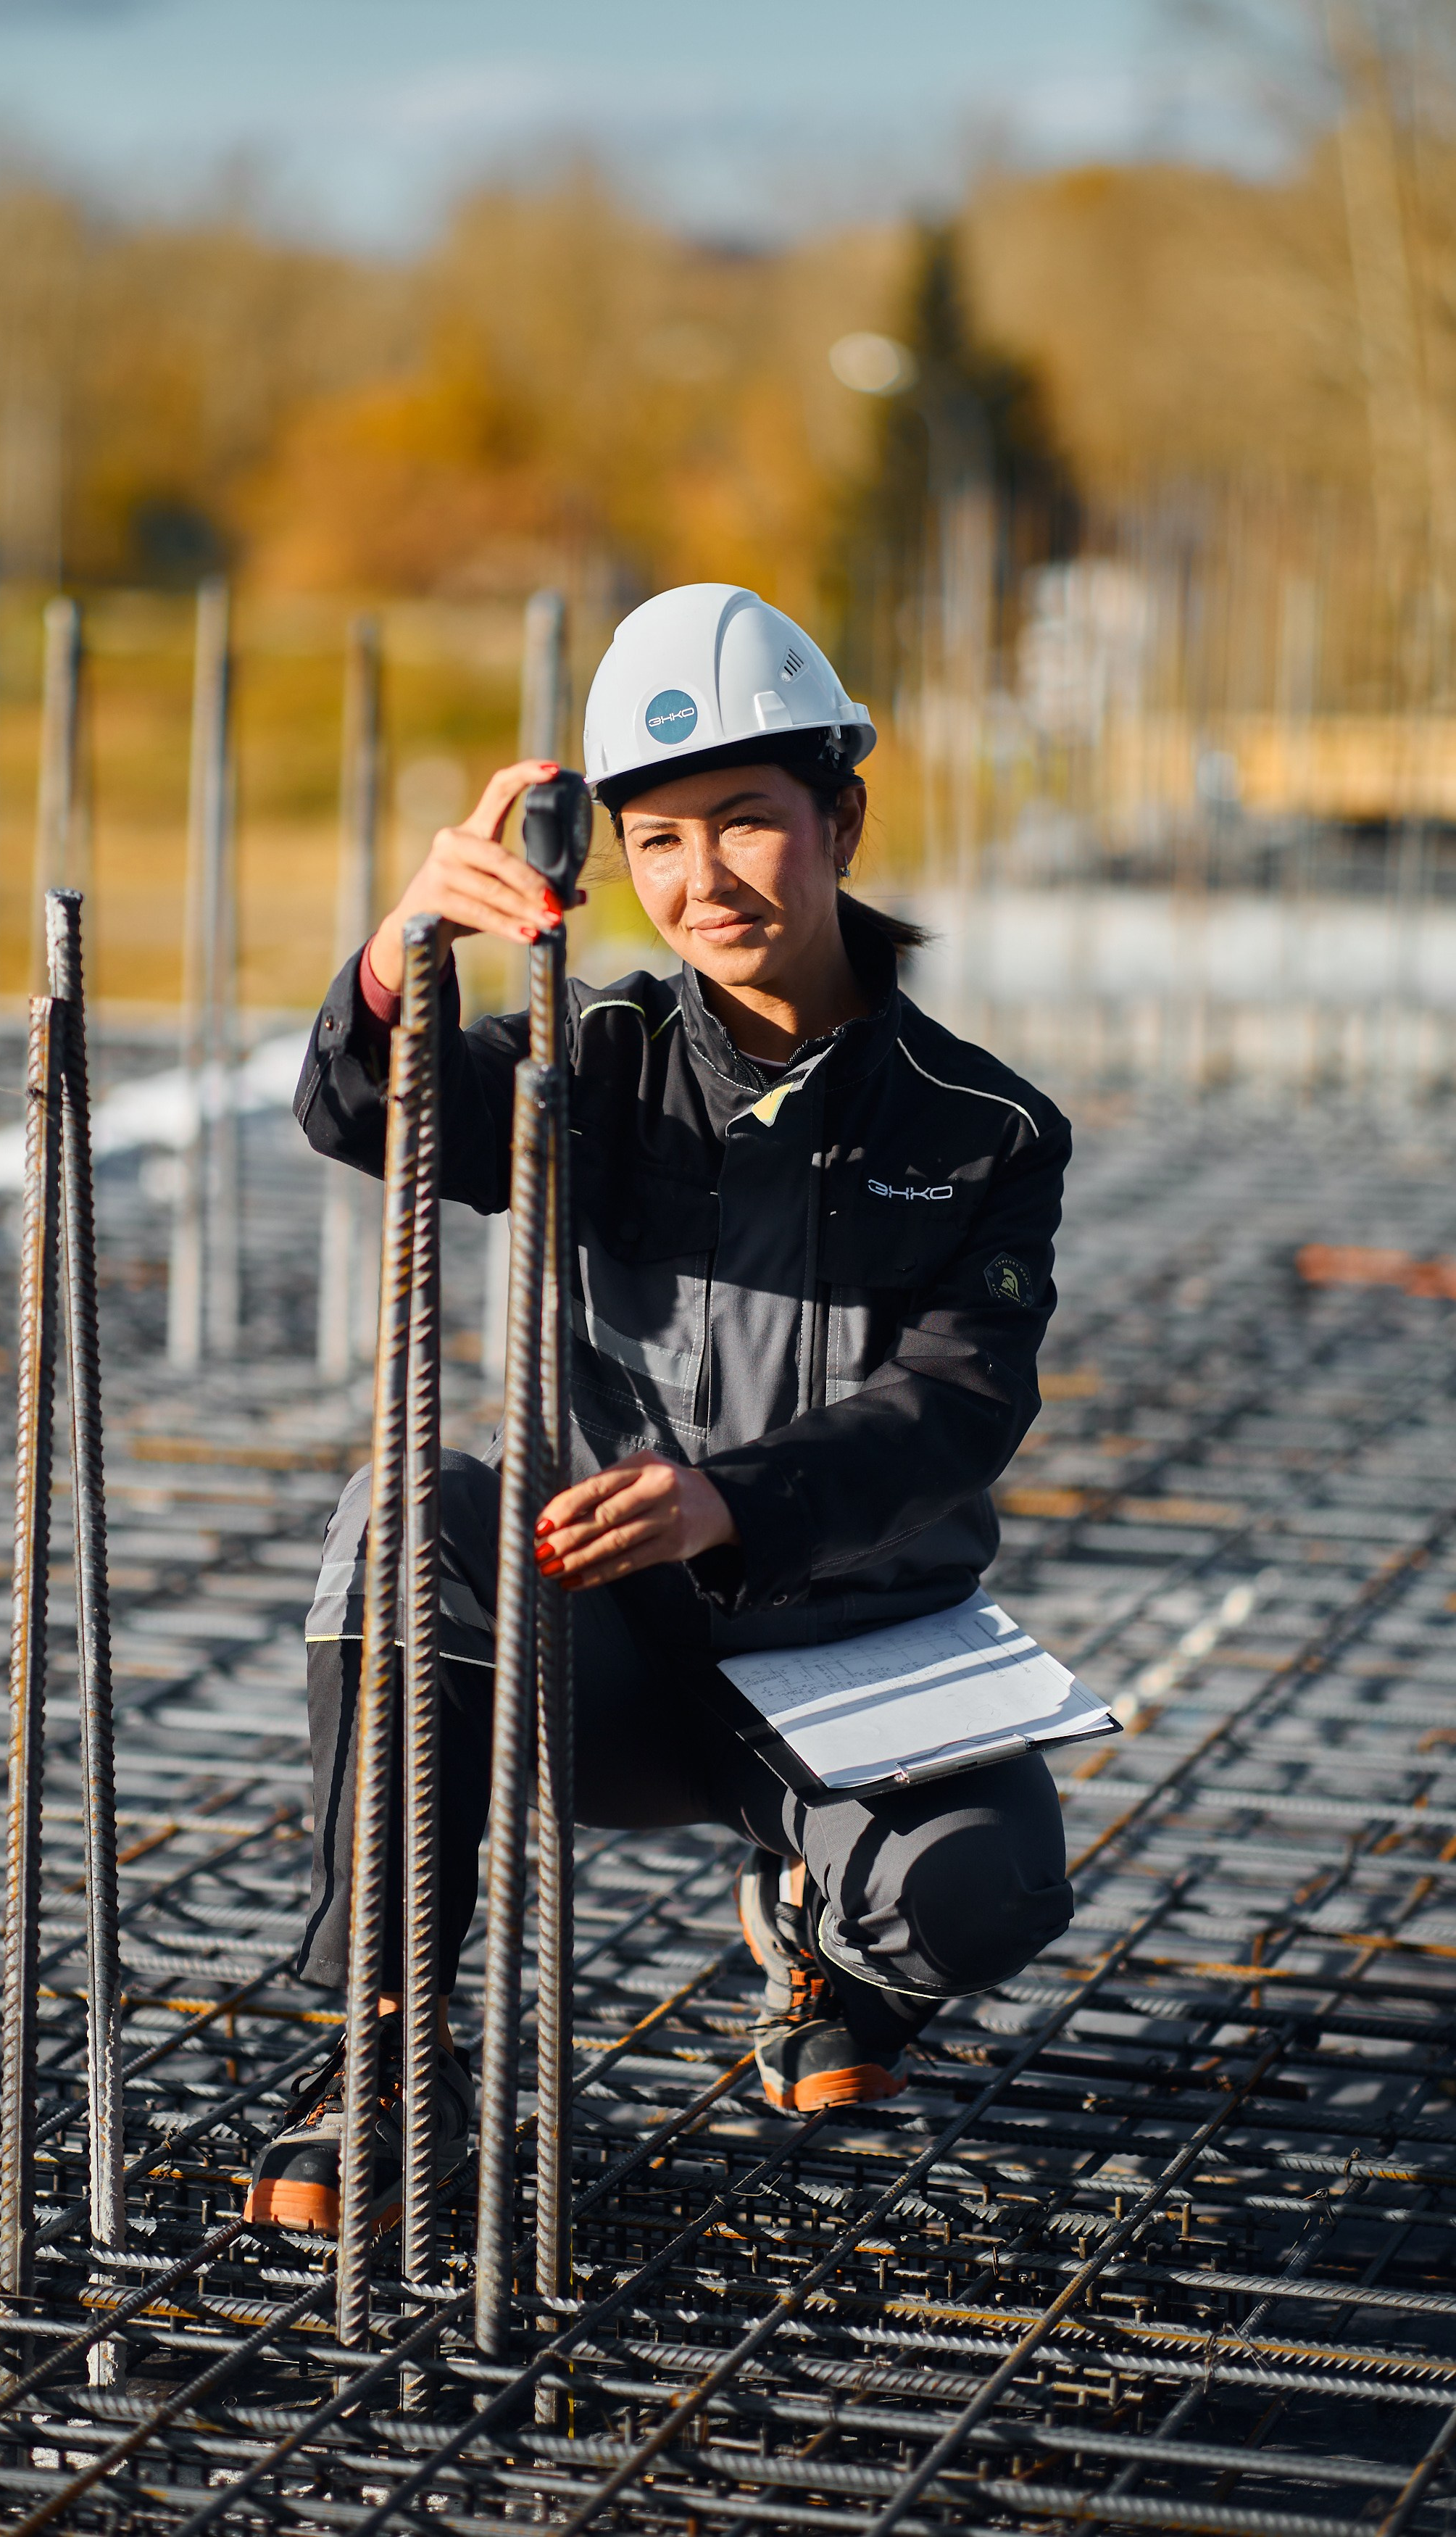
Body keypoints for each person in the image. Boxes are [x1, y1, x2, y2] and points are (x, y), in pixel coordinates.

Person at [245, 583, 1074, 2233]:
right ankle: (383, 2047)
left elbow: (959, 1398)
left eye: (748, 825)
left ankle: (837, 1972)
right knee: (408, 1515)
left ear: (839, 819)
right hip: (609, 1655)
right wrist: (406, 955)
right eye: (660, 840)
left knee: (991, 1889)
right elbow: (363, 1115)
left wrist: (734, 1499)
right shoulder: (595, 1052)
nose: (704, 880)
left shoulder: (986, 1126)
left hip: (860, 1655)